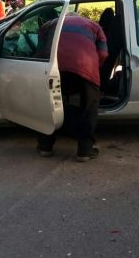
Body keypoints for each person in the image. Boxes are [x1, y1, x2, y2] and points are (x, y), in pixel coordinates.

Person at [36, 12, 108, 162]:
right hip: (85, 66)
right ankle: (85, 151)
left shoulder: (51, 24)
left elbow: (40, 46)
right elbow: (103, 53)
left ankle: (45, 146)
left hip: (55, 68)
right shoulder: (93, 25)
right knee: (90, 106)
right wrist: (95, 67)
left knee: (50, 104)